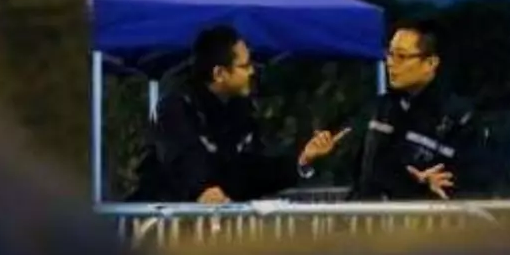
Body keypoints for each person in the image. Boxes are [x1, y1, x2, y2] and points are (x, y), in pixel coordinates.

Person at [131, 25, 350, 203]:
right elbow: (182, 158)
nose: (252, 71)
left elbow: (253, 170)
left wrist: (302, 159)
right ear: (219, 73)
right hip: (163, 230)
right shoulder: (175, 106)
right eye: (244, 66)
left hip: (213, 235)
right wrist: (203, 190)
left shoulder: (242, 110)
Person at [350, 19, 479, 201]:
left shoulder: (457, 117)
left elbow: (467, 180)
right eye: (389, 54)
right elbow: (365, 175)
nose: (390, 63)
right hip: (369, 221)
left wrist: (420, 186)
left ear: (431, 63)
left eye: (401, 56)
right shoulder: (382, 107)